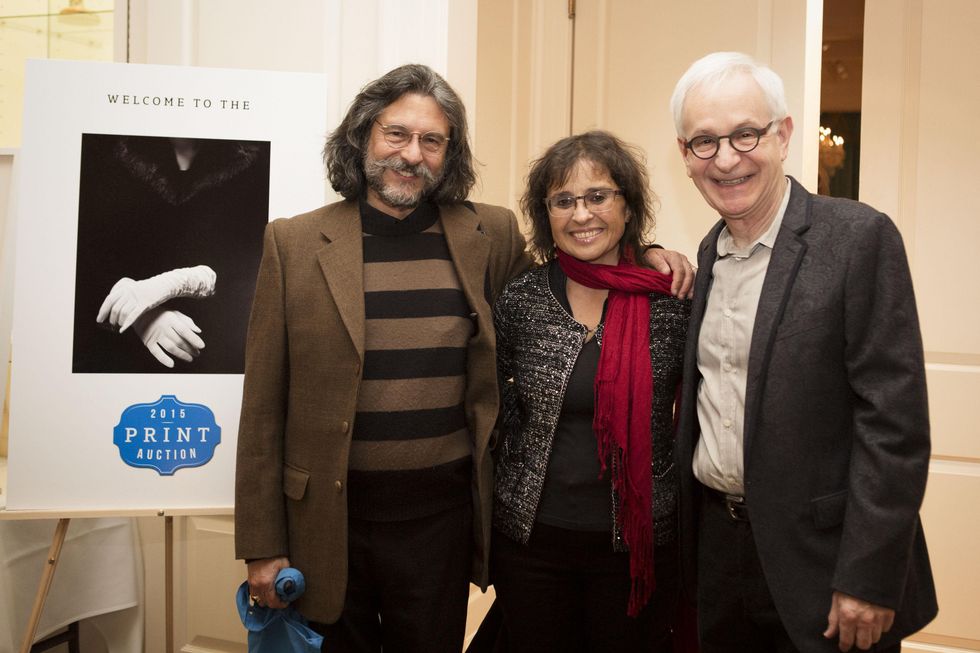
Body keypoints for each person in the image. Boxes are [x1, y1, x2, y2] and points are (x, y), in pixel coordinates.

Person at [234, 64, 694, 653]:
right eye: (395, 133)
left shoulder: (490, 235)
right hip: (326, 524)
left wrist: (645, 254)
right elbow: (262, 410)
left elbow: (570, 282)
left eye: (432, 140)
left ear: (449, 155)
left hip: (440, 526)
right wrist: (262, 545)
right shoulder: (293, 244)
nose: (412, 154)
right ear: (362, 137)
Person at [670, 52, 937, 653]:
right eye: (704, 142)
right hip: (720, 552)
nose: (727, 158)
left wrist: (868, 576)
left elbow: (893, 425)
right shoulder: (709, 254)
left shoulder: (857, 239)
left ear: (783, 134)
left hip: (826, 564)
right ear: (685, 156)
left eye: (745, 133)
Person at [491, 131, 689, 652]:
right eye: (564, 200)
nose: (582, 215)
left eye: (598, 196)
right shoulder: (522, 298)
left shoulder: (671, 300)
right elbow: (497, 411)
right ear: (545, 214)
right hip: (532, 544)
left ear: (628, 205)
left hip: (637, 548)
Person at [72, 134, 270, 373]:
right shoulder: (103, 151)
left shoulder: (258, 164)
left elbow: (258, 265)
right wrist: (142, 317)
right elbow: (83, 258)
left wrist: (191, 281)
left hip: (218, 349)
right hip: (115, 350)